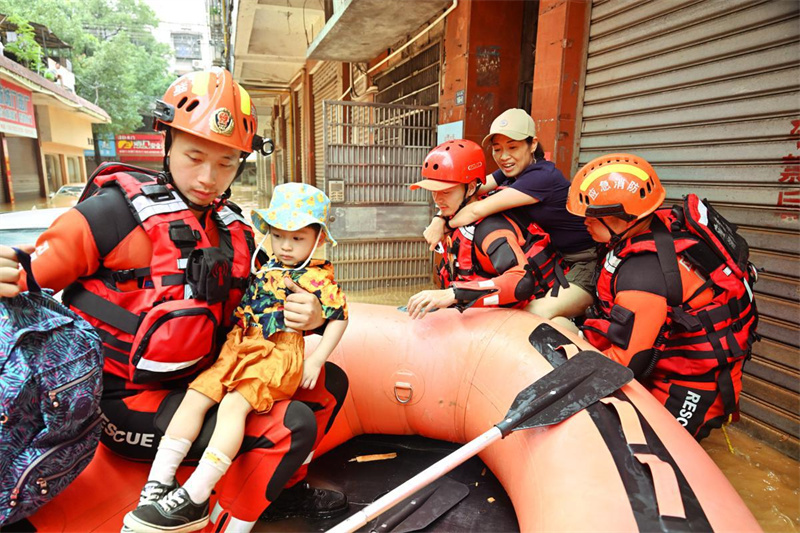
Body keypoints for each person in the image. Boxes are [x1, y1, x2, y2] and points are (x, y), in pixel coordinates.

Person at [0, 67, 349, 532]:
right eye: (194, 156)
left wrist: (314, 315)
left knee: (330, 384)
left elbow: (272, 299)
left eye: (227, 163)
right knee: (292, 424)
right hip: (126, 401)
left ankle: (281, 491)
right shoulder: (110, 215)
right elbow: (25, 270)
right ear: (166, 142)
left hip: (203, 380)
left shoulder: (239, 232)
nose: (208, 177)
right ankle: (215, 517)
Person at [124, 182, 348, 532]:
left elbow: (340, 315)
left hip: (276, 350)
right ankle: (157, 483)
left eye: (298, 238)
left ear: (318, 239)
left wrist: (316, 358)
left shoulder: (316, 277)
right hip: (238, 343)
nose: (286, 246)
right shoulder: (268, 262)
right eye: (279, 235)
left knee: (232, 406)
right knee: (197, 395)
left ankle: (196, 494)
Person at [566, 153, 758, 440]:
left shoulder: (643, 275)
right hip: (669, 359)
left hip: (692, 384)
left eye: (591, 217)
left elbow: (626, 362)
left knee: (656, 451)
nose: (584, 223)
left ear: (623, 217)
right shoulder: (653, 228)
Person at [423, 109, 597, 328]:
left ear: (532, 144)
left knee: (532, 316)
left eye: (513, 147)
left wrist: (441, 223)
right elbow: (472, 187)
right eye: (497, 149)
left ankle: (586, 350)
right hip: (556, 261)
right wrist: (440, 215)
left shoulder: (542, 176)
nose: (504, 156)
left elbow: (476, 210)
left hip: (584, 264)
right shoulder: (510, 171)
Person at [406, 139, 565, 317]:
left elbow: (521, 281)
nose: (437, 200)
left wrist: (454, 294)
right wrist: (439, 219)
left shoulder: (490, 229)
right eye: (433, 191)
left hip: (529, 312)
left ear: (471, 188)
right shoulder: (455, 214)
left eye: (446, 192)